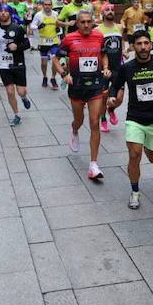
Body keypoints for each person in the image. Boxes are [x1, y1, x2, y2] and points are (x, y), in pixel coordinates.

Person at [109, 30, 153, 210]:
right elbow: (115, 85)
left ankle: (146, 144)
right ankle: (135, 192)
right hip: (135, 118)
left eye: (146, 43)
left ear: (151, 45)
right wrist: (112, 97)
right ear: (134, 47)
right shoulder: (127, 67)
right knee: (134, 154)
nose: (143, 47)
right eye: (139, 44)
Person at [58, 10, 110, 181]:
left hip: (95, 85)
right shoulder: (69, 39)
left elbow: (103, 54)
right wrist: (63, 74)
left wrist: (106, 67)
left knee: (94, 122)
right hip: (77, 86)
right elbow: (56, 58)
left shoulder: (99, 36)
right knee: (79, 120)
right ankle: (74, 129)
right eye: (83, 22)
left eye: (89, 21)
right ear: (77, 23)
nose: (87, 25)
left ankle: (93, 165)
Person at [0, 5, 32, 126]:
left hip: (18, 63)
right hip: (3, 65)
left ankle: (24, 98)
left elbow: (27, 44)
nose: (3, 13)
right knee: (9, 91)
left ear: (10, 13)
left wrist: (17, 47)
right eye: (1, 12)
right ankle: (16, 115)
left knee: (21, 91)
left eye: (5, 11)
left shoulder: (18, 28)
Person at [97, 4, 125, 133]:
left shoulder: (119, 27)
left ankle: (111, 109)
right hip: (104, 68)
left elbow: (121, 42)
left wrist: (124, 51)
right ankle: (103, 119)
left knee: (119, 98)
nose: (110, 12)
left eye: (112, 10)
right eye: (107, 10)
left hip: (118, 66)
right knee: (103, 97)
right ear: (102, 13)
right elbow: (98, 50)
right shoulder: (98, 30)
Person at [31, 0, 63, 89]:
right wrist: (38, 26)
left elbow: (59, 25)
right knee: (44, 63)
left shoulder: (55, 14)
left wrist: (58, 30)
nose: (47, 6)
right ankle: (45, 77)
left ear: (52, 5)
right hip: (43, 41)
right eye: (45, 4)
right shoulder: (38, 15)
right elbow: (32, 26)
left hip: (54, 41)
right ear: (43, 5)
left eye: (49, 4)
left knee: (55, 60)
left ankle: (53, 78)